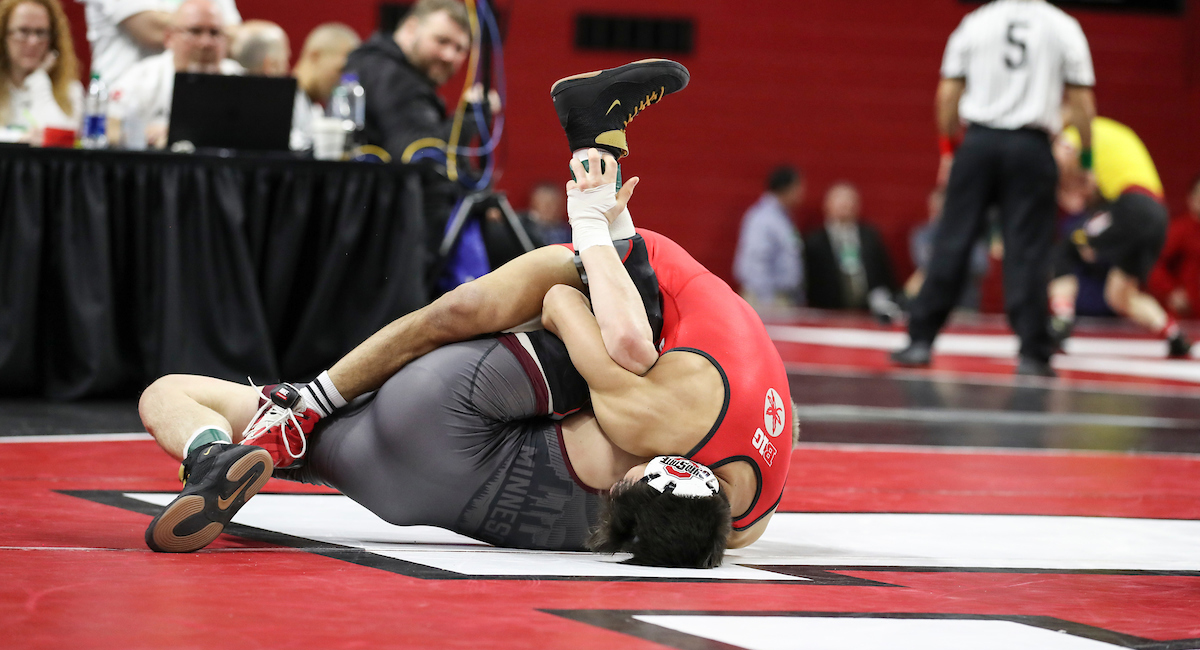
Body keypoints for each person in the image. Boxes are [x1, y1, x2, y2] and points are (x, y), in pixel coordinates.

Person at [140, 59, 792, 567]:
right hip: (412, 475)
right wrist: (594, 230)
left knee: (495, 317)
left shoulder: (745, 514)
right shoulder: (666, 434)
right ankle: (253, 430)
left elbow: (569, 312)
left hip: (496, 401)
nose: (619, 474)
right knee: (613, 337)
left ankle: (246, 436)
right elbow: (574, 307)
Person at [892, 0, 1097, 377]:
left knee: (952, 240)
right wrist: (1085, 161)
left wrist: (949, 150)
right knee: (1028, 251)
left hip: (979, 144)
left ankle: (919, 339)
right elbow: (1082, 101)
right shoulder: (1062, 25)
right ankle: (1033, 352)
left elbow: (947, 94)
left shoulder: (976, 22)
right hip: (1031, 147)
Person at [1047, 117, 1191, 358]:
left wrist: (1057, 191)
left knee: (1067, 247)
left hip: (1130, 207)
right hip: (1157, 215)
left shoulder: (1076, 132)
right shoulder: (1114, 133)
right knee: (1119, 294)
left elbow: (1060, 162)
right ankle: (1174, 335)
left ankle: (1061, 323)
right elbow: (1094, 184)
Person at [342, 0, 497, 167]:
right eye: (442, 41)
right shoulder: (391, 76)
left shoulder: (378, 66)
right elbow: (418, 152)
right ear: (411, 29)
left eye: (460, 49)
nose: (449, 56)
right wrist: (471, 117)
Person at [109, 0, 243, 149]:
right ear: (169, 37)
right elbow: (108, 129)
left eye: (215, 33)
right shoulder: (141, 78)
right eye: (195, 31)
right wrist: (144, 135)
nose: (206, 42)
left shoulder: (240, 79)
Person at [77, 0, 240, 85]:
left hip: (196, 93)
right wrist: (207, 23)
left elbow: (235, 38)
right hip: (126, 101)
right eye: (196, 31)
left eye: (212, 32)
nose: (205, 41)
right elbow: (150, 28)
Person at [803, 181, 898, 316]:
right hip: (828, 312)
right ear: (827, 205)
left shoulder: (870, 236)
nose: (845, 206)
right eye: (840, 202)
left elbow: (885, 273)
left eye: (849, 201)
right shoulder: (815, 241)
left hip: (868, 312)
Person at [0, 0, 81, 141]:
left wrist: (39, 80)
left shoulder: (70, 91)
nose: (33, 41)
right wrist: (19, 139)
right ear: (4, 36)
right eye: (23, 31)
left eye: (41, 32)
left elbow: (62, 142)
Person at [904, 188, 992, 311]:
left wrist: (943, 262)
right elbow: (924, 262)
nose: (938, 211)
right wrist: (960, 260)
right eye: (935, 207)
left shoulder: (970, 234)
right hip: (932, 305)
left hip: (964, 305)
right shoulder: (922, 235)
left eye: (942, 206)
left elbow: (981, 266)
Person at [732, 165, 805, 310]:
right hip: (766, 299)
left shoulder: (781, 217)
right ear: (787, 188)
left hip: (778, 297)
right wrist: (767, 302)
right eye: (799, 187)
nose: (802, 192)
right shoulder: (764, 218)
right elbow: (756, 261)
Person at [289, 22, 360, 151]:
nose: (342, 81)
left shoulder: (316, 112)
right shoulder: (282, 105)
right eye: (340, 70)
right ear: (315, 56)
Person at [1148, 174, 1200, 318]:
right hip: (1187, 317)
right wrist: (1171, 291)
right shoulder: (1180, 230)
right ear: (1191, 199)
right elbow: (1153, 263)